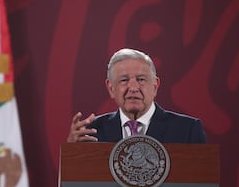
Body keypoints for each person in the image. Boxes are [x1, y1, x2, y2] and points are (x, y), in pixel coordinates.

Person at [67, 48, 206, 144]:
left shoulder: (188, 130)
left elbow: (202, 183)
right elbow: (75, 183)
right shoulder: (91, 133)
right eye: (124, 80)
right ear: (111, 88)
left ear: (155, 85)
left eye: (141, 79)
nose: (133, 88)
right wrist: (72, 151)